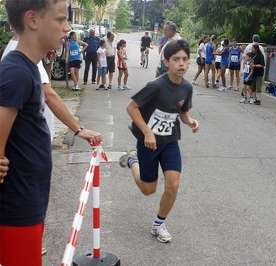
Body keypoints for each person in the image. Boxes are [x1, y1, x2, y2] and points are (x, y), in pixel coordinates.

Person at [0, 1, 102, 265]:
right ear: (32, 20)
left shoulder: (28, 68)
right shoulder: (16, 72)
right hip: (16, 208)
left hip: (29, 200)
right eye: (60, 20)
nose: (67, 28)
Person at [119, 39, 199, 243]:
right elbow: (131, 107)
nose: (181, 63)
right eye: (175, 59)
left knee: (173, 184)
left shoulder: (187, 88)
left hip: (170, 141)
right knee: (149, 189)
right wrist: (147, 131)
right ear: (166, 62)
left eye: (184, 59)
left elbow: (183, 111)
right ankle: (132, 160)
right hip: (149, 143)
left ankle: (158, 224)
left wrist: (189, 121)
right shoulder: (155, 86)